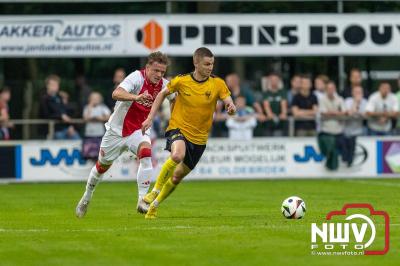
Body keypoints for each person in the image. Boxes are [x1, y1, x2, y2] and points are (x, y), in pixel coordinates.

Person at [141, 47, 236, 219]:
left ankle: (154, 206)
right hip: (178, 128)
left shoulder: (217, 83)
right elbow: (162, 94)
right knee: (177, 155)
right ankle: (153, 192)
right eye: (207, 64)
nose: (210, 67)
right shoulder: (181, 81)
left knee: (177, 177)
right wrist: (149, 118)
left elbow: (228, 100)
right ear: (196, 63)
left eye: (212, 64)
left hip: (199, 139)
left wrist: (231, 107)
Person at [75, 51, 170, 218]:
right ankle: (86, 197)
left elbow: (177, 97)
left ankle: (142, 200)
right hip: (116, 131)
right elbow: (116, 93)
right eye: (156, 70)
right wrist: (136, 97)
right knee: (101, 167)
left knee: (146, 154)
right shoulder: (136, 77)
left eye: (162, 72)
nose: (159, 75)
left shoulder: (164, 85)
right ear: (147, 68)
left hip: (138, 130)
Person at [39, 75, 80, 140]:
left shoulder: (59, 97)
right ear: (47, 86)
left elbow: (64, 111)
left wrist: (70, 126)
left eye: (56, 85)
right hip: (54, 130)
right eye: (53, 85)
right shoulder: (44, 98)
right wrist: (61, 116)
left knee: (77, 141)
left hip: (66, 128)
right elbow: (46, 114)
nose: (55, 87)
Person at [317, 81, 346, 171]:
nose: (331, 90)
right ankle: (331, 167)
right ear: (326, 90)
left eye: (332, 88)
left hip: (339, 131)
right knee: (330, 150)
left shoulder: (340, 99)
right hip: (326, 131)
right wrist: (338, 113)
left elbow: (345, 113)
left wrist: (331, 113)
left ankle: (339, 166)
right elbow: (324, 113)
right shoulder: (322, 99)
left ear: (335, 89)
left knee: (342, 150)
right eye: (329, 89)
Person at [81, 92, 111, 160]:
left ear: (100, 99)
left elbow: (109, 116)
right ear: (89, 99)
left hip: (99, 133)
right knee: (88, 154)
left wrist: (100, 118)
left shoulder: (103, 107)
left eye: (96, 98)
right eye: (93, 98)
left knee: (99, 153)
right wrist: (90, 107)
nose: (95, 100)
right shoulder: (87, 107)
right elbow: (85, 118)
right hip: (89, 133)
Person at [343, 86, 367, 167]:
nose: (358, 94)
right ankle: (347, 161)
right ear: (352, 93)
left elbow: (365, 115)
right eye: (356, 92)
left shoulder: (365, 102)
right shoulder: (347, 101)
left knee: (354, 147)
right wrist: (355, 103)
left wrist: (356, 112)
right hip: (347, 130)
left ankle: (350, 162)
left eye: (359, 92)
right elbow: (349, 113)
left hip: (359, 131)